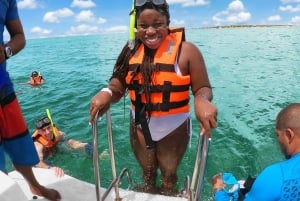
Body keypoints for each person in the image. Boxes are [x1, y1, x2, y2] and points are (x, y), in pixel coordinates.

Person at [89, 0, 217, 196]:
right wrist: (107, 93)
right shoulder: (130, 50)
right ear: (135, 26)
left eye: (157, 24)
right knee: (147, 173)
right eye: (143, 26)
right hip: (140, 125)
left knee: (168, 174)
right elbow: (118, 83)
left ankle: (167, 191)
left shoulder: (187, 51)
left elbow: (202, 87)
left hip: (174, 128)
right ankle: (148, 190)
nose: (150, 31)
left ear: (167, 23)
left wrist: (202, 100)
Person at [0, 0, 61, 200]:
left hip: (4, 88)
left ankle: (34, 186)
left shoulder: (8, 1)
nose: (46, 131)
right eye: (43, 129)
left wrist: (6, 51)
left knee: (19, 145)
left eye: (47, 128)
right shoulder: (40, 142)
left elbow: (19, 36)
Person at [211, 103, 300, 201]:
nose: (278, 141)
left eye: (278, 135)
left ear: (289, 134)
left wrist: (218, 190)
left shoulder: (277, 176)